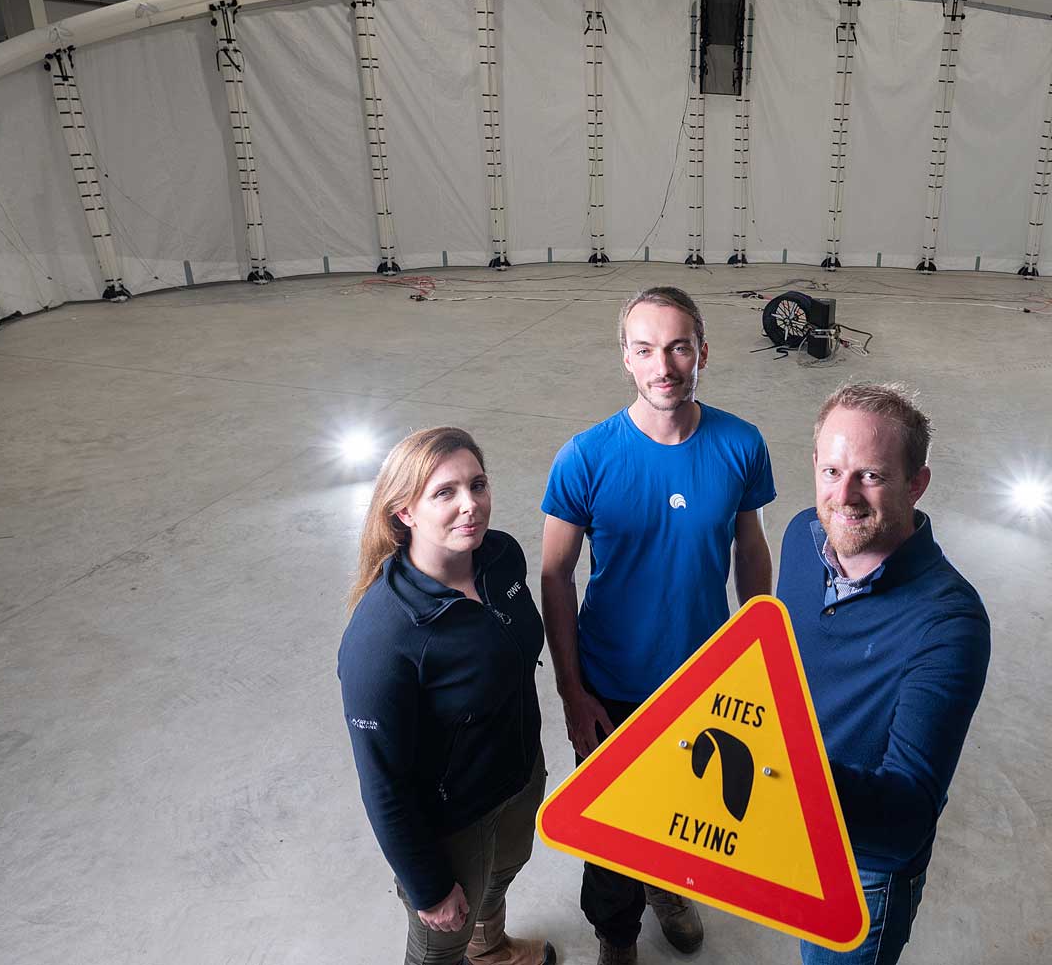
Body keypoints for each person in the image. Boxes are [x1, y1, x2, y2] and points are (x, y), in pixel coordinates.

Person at [541, 286, 776, 965]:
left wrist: (756, 654)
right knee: (612, 830)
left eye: (678, 347)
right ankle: (617, 936)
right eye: (645, 349)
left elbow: (750, 545)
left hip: (703, 681)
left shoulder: (740, 443)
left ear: (703, 351)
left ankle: (670, 888)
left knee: (686, 808)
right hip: (612, 679)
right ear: (626, 358)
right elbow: (555, 575)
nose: (663, 365)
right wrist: (570, 691)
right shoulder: (585, 457)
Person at [776, 383, 991, 965]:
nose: (842, 496)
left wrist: (782, 778)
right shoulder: (802, 535)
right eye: (830, 471)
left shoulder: (949, 623)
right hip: (785, 821)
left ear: (917, 484)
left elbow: (904, 822)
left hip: (861, 866)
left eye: (870, 476)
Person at [339, 427, 555, 965]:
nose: (470, 506)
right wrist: (428, 885)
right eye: (445, 493)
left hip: (518, 772)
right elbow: (382, 783)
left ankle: (490, 948)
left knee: (501, 875)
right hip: (452, 819)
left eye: (477, 485)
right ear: (404, 512)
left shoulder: (500, 557)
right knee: (440, 947)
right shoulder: (384, 635)